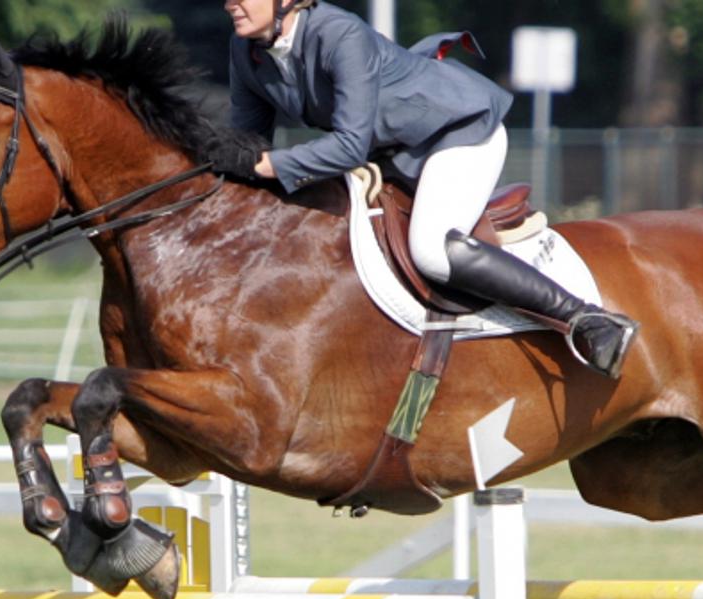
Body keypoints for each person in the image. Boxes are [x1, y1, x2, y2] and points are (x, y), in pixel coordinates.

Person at [226, 0, 637, 378]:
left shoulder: (338, 34)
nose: (231, 3)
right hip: (395, 154)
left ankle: (588, 320)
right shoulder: (246, 52)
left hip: (456, 132)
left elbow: (349, 145)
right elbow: (247, 143)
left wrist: (268, 164)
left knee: (433, 250)